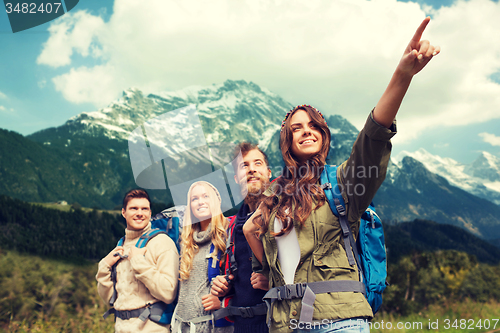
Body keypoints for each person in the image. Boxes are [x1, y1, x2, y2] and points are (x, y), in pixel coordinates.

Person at [243, 17, 440, 333]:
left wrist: (403, 76)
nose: (306, 131)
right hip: (284, 324)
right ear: (287, 142)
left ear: (323, 134)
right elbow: (257, 245)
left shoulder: (343, 183)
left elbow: (372, 141)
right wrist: (260, 254)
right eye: (296, 128)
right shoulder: (273, 195)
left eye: (312, 126)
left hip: (339, 321)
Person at [96, 188, 179, 333]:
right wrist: (104, 267)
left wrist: (138, 262)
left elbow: (168, 293)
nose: (140, 213)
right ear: (124, 212)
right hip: (121, 328)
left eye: (144, 209)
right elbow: (110, 299)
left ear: (150, 213)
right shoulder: (120, 246)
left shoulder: (162, 243)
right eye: (134, 208)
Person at [210, 142, 272, 333]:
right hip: (241, 325)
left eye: (257, 163)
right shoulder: (232, 227)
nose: (252, 169)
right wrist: (224, 285)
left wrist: (273, 281)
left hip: (277, 323)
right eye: (245, 165)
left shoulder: (283, 216)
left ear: (269, 173)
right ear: (237, 178)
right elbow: (237, 275)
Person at [172, 181, 234, 333]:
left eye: (206, 196)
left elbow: (243, 281)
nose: (201, 202)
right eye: (195, 199)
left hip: (214, 326)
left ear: (217, 200)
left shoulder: (229, 234)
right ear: (190, 207)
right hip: (182, 326)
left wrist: (223, 302)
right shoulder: (186, 241)